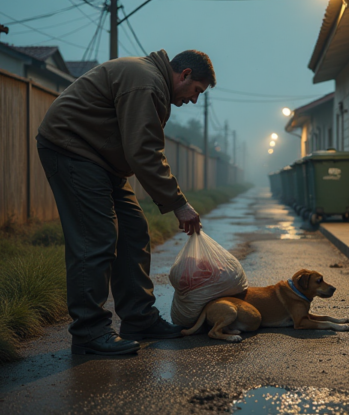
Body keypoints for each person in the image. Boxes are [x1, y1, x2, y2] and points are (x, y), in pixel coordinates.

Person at [36, 49, 215, 355]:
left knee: (133, 231)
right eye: (196, 90)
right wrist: (178, 203)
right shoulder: (146, 83)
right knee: (96, 238)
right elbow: (143, 151)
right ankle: (89, 332)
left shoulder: (152, 81)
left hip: (102, 159)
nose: (194, 100)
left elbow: (139, 147)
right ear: (184, 74)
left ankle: (139, 319)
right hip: (71, 148)